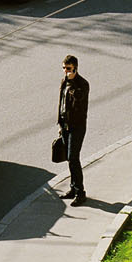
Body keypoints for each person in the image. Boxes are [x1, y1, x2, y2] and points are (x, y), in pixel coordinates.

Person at [58, 54, 89, 204]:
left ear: (75, 68)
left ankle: (80, 192)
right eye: (64, 68)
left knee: (73, 158)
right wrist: (60, 123)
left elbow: (79, 101)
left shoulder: (82, 84)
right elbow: (62, 103)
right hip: (65, 125)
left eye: (68, 68)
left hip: (77, 127)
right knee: (69, 159)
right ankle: (73, 188)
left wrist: (73, 82)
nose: (65, 71)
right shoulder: (64, 81)